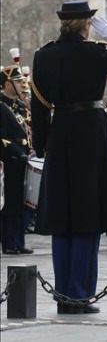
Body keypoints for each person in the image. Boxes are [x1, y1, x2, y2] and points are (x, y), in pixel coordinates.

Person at [31, 0, 107, 314]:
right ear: (87, 24)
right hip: (90, 136)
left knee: (63, 220)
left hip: (60, 136)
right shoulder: (94, 52)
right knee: (87, 217)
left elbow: (39, 107)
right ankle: (80, 294)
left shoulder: (43, 55)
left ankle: (64, 296)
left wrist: (43, 146)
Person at [0, 65, 32, 254]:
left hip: (23, 160)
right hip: (10, 160)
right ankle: (10, 243)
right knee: (11, 204)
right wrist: (18, 152)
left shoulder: (19, 106)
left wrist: (31, 151)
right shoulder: (2, 106)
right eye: (18, 81)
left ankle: (19, 242)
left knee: (22, 203)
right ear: (7, 83)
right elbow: (2, 137)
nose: (21, 84)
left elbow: (27, 133)